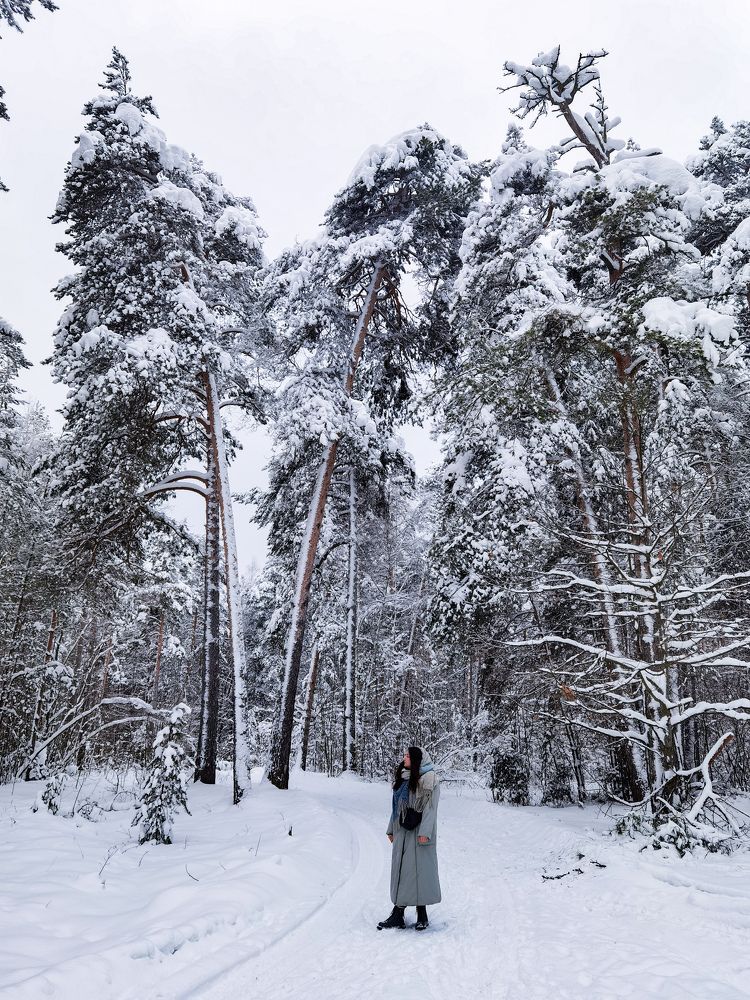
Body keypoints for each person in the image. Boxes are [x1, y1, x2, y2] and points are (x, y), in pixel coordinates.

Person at [377, 745, 441, 931]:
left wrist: (425, 833)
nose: (404, 758)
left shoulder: (429, 779)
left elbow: (431, 808)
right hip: (402, 831)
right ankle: (398, 914)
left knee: (420, 872)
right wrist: (391, 829)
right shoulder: (404, 778)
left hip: (420, 832)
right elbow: (396, 808)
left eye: (408, 756)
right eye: (404, 755)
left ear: (417, 760)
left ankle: (422, 914)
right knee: (403, 873)